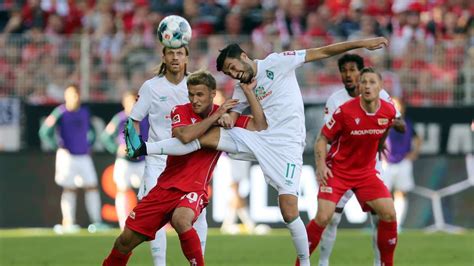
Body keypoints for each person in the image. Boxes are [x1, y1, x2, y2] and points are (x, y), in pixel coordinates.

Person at [128, 37, 389, 265]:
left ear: (243, 56)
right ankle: (145, 148)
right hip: (259, 138)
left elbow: (321, 52)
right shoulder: (240, 87)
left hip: (286, 145)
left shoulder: (278, 62)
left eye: (233, 67)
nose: (234, 73)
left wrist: (364, 43)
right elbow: (238, 115)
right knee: (204, 135)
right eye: (229, 73)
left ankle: (304, 262)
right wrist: (229, 116)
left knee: (289, 212)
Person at [103, 70, 267, 266]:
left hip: (194, 188)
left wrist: (249, 93)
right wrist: (216, 117)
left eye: (200, 95)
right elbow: (185, 136)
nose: (195, 100)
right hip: (165, 187)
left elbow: (260, 126)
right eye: (191, 94)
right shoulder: (180, 110)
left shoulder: (226, 117)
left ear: (212, 94)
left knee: (182, 220)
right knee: (124, 242)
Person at [302, 67, 398, 266]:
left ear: (380, 87)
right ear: (359, 86)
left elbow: (386, 127)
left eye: (372, 82)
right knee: (323, 218)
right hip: (338, 171)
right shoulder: (345, 111)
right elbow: (321, 139)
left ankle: (386, 264)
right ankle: (301, 263)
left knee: (389, 213)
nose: (368, 86)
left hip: (366, 173)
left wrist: (381, 147)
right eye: (364, 82)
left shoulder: (388, 111)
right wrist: (320, 165)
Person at [128, 45, 207, 265]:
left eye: (179, 53)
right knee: (155, 220)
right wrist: (134, 143)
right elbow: (134, 119)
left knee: (197, 217)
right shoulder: (151, 87)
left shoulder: (195, 85)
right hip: (158, 161)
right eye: (170, 53)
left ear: (186, 57)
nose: (175, 57)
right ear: (163, 56)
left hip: (189, 161)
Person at [38, 84, 106, 234]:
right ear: (66, 96)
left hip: (83, 156)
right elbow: (44, 131)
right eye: (71, 95)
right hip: (67, 156)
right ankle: (68, 222)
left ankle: (96, 222)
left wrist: (90, 144)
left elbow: (92, 130)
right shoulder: (60, 112)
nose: (75, 98)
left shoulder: (84, 112)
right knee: (69, 188)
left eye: (77, 94)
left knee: (92, 186)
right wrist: (56, 145)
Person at [100, 90, 149, 229]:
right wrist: (116, 148)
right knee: (122, 191)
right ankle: (124, 224)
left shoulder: (146, 119)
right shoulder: (120, 118)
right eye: (130, 101)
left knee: (148, 193)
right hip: (124, 161)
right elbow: (106, 136)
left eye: (135, 101)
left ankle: (149, 222)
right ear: (124, 103)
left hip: (141, 161)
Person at [383, 97, 422, 230]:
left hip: (403, 162)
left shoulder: (408, 123)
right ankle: (382, 223)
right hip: (386, 163)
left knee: (401, 193)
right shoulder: (383, 122)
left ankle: (397, 225)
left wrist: (414, 153)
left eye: (398, 105)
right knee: (382, 194)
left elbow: (417, 139)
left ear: (403, 107)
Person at [219, 156, 257, 234]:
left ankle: (228, 224)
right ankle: (248, 223)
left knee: (239, 191)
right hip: (229, 156)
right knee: (234, 189)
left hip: (242, 155)